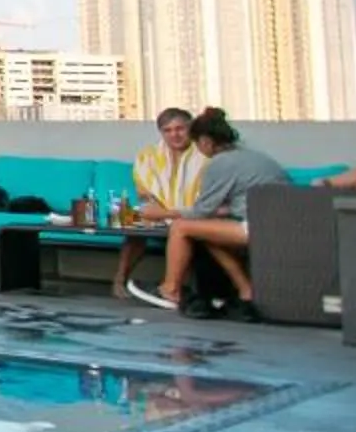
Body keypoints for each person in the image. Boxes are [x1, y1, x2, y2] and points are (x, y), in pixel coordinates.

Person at [132, 109, 292, 317]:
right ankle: (246, 291)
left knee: (181, 228)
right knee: (207, 233)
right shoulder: (252, 157)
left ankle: (170, 290)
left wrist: (162, 214)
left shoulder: (221, 163)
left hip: (256, 227)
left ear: (206, 141)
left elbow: (200, 211)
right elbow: (236, 203)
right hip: (283, 224)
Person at [114, 106, 209, 292]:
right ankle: (119, 280)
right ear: (161, 133)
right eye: (168, 130)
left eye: (180, 129)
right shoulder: (148, 155)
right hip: (157, 212)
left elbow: (207, 197)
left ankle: (176, 287)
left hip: (192, 213)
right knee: (135, 226)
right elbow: (145, 192)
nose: (175, 135)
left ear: (191, 129)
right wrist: (156, 211)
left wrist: (172, 214)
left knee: (185, 228)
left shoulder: (205, 156)